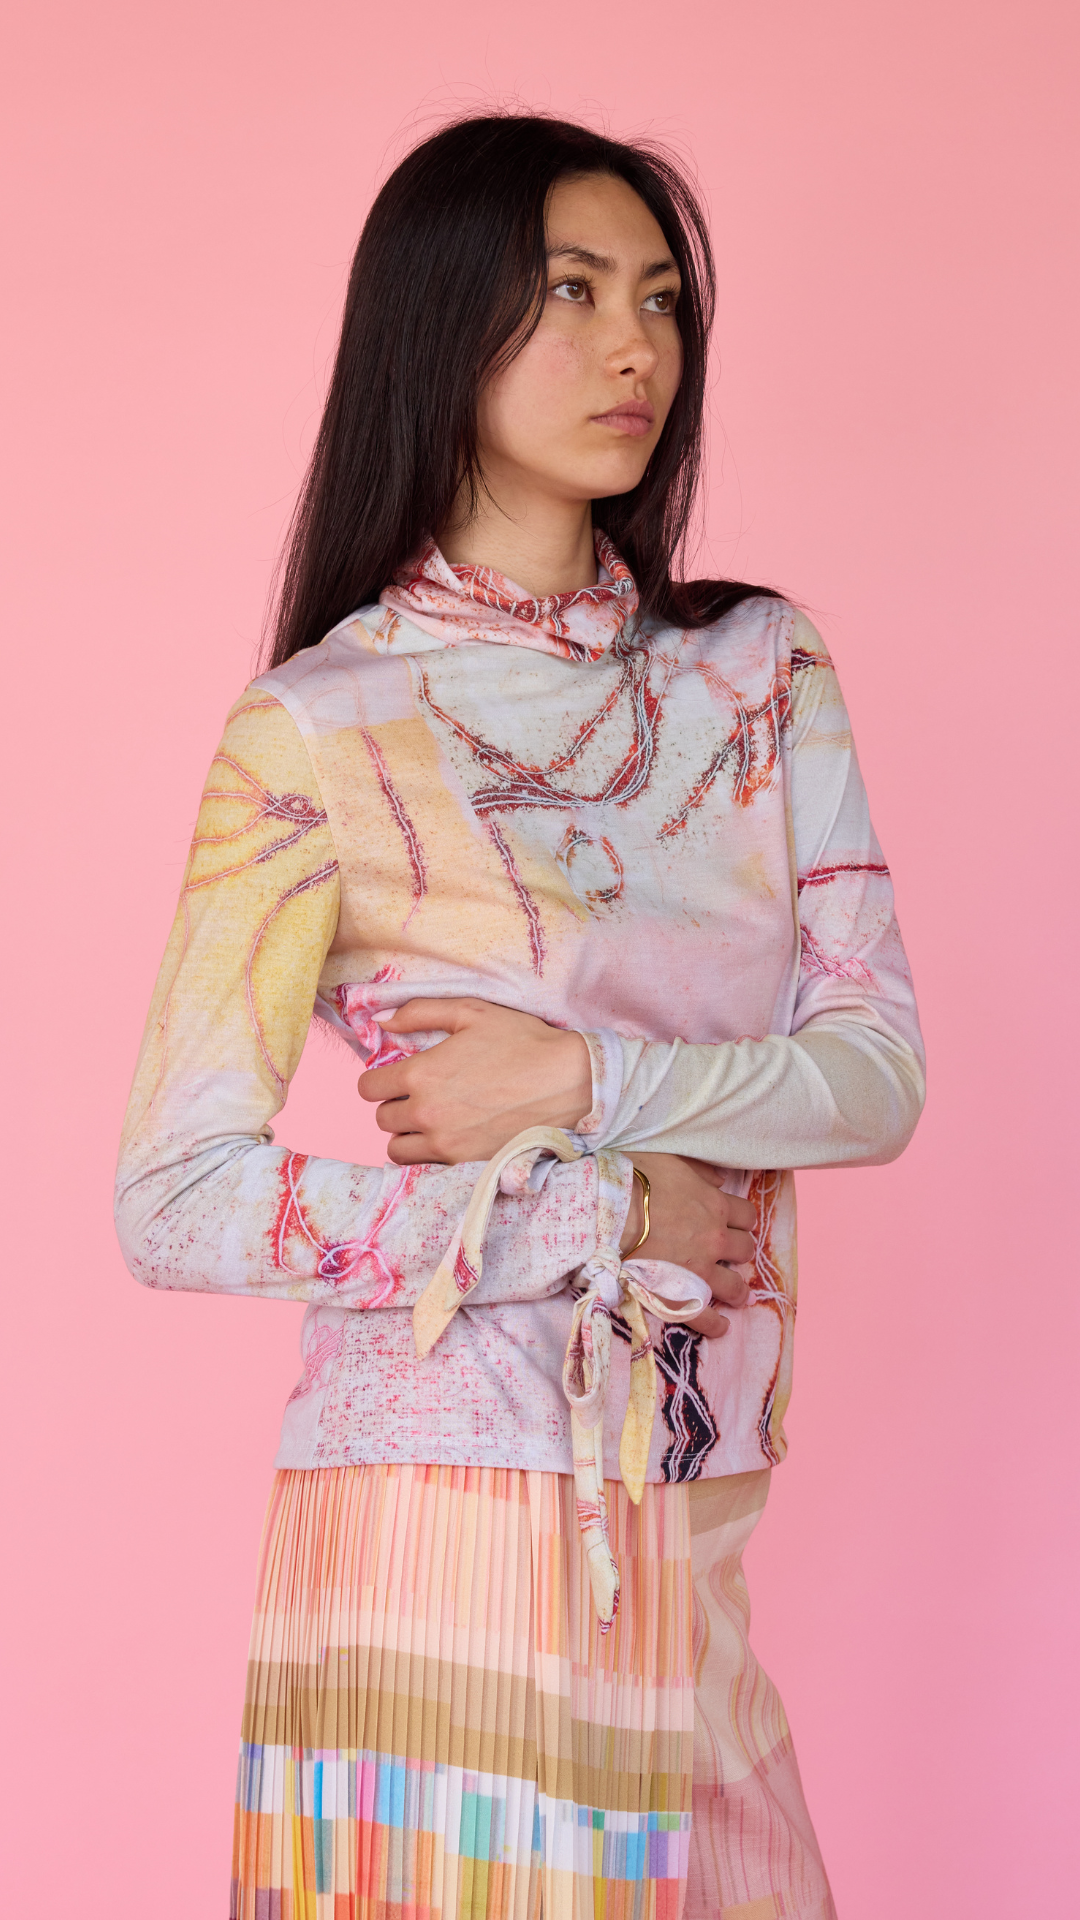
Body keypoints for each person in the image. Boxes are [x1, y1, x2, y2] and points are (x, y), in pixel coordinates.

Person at [115, 113, 924, 1920]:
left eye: (660, 299)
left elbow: (876, 1078)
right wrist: (592, 1212)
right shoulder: (319, 727)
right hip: (434, 1504)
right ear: (440, 322)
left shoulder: (757, 671)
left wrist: (581, 1080)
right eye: (570, 292)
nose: (635, 345)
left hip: (688, 1487)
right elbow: (171, 1198)